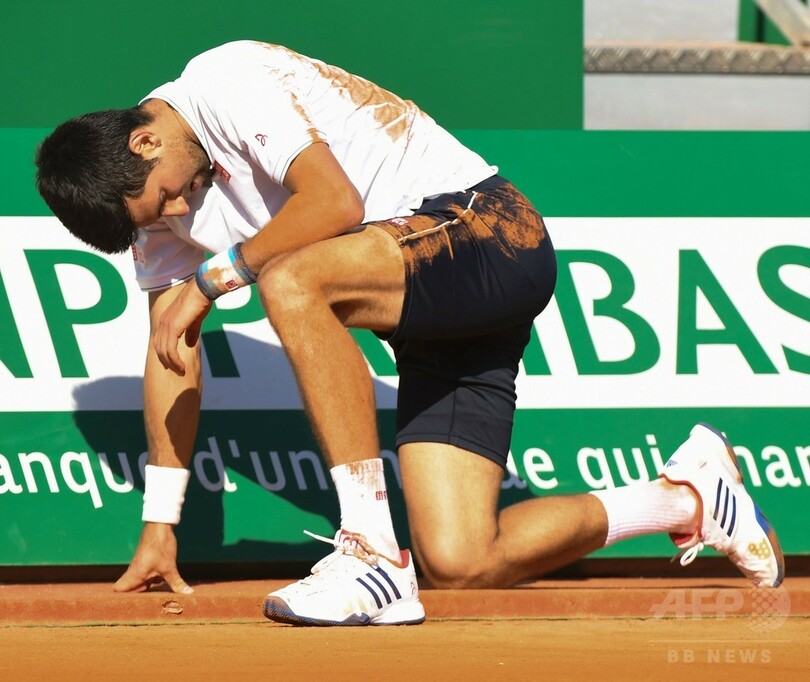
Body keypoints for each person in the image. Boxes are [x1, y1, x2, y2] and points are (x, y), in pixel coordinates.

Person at [35, 40, 784, 627]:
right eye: (156, 220)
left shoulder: (222, 79)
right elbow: (172, 352)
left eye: (165, 196)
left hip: (491, 232)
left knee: (292, 280)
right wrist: (161, 521)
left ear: (143, 143)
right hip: (427, 305)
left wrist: (211, 279)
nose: (173, 216)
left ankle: (369, 553)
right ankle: (688, 497)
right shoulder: (161, 212)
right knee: (461, 557)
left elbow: (331, 203)